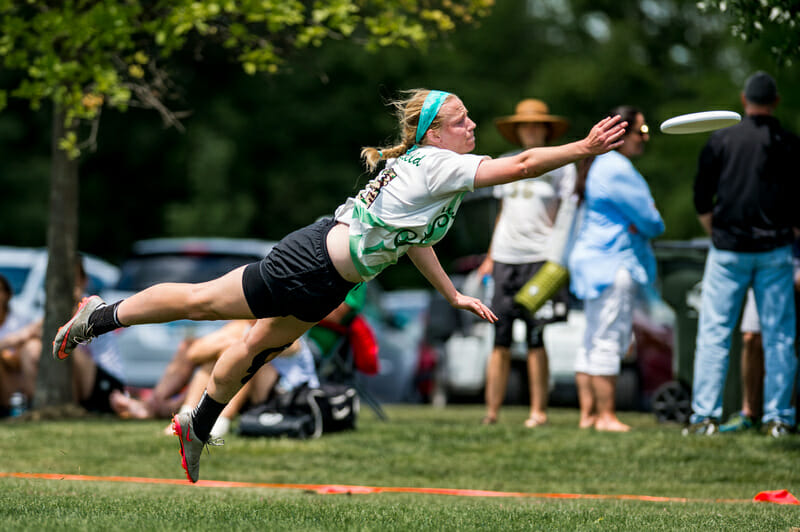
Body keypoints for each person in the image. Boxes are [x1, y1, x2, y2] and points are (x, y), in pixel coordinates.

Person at [53, 89, 626, 482]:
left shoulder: (434, 175)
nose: (472, 126)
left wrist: (451, 293)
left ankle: (195, 425)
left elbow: (411, 240)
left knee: (252, 350)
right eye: (462, 121)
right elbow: (524, 163)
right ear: (434, 133)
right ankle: (98, 317)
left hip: (328, 282)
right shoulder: (438, 165)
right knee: (203, 303)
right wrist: (583, 149)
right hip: (309, 262)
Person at [686, 71, 799, 438]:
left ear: (743, 99)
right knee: (779, 335)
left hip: (728, 250)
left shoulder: (722, 140)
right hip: (776, 250)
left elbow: (702, 195)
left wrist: (713, 230)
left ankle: (704, 417)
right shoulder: (788, 142)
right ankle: (779, 417)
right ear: (776, 102)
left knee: (715, 332)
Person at [476, 99, 576, 427]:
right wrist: (490, 257)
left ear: (546, 130)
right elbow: (503, 213)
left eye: (536, 125)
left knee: (536, 336)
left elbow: (567, 212)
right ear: (517, 130)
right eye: (525, 125)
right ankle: (491, 412)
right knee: (499, 337)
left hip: (539, 257)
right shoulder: (506, 162)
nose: (530, 130)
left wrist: (557, 257)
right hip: (506, 257)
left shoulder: (561, 165)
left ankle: (538, 411)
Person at [567, 106, 664, 432]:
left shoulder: (599, 165)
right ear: (622, 135)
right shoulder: (617, 168)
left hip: (593, 261)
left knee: (592, 337)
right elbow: (652, 221)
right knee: (610, 336)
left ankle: (588, 415)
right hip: (612, 262)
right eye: (642, 131)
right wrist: (645, 219)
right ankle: (606, 416)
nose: (645, 139)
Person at [110, 319, 319, 438]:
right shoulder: (242, 325)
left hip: (291, 401)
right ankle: (178, 413)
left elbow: (197, 353)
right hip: (256, 398)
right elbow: (193, 352)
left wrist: (224, 346)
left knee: (245, 359)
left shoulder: (285, 330)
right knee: (215, 356)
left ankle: (216, 422)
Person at [719, 239, 800, 434]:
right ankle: (749, 414)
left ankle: (782, 417)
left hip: (788, 259)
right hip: (768, 255)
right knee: (751, 336)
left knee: (785, 341)